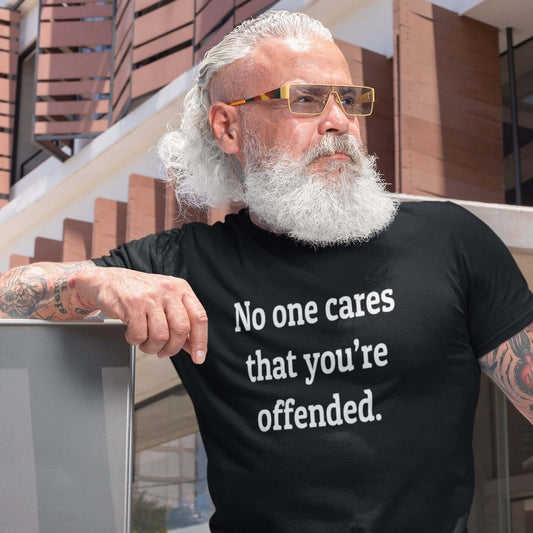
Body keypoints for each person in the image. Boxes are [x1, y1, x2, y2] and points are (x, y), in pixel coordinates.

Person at [1, 10, 533, 533]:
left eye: (348, 100)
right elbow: (7, 295)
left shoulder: (449, 240)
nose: (339, 121)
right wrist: (94, 280)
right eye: (305, 100)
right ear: (228, 126)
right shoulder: (188, 264)